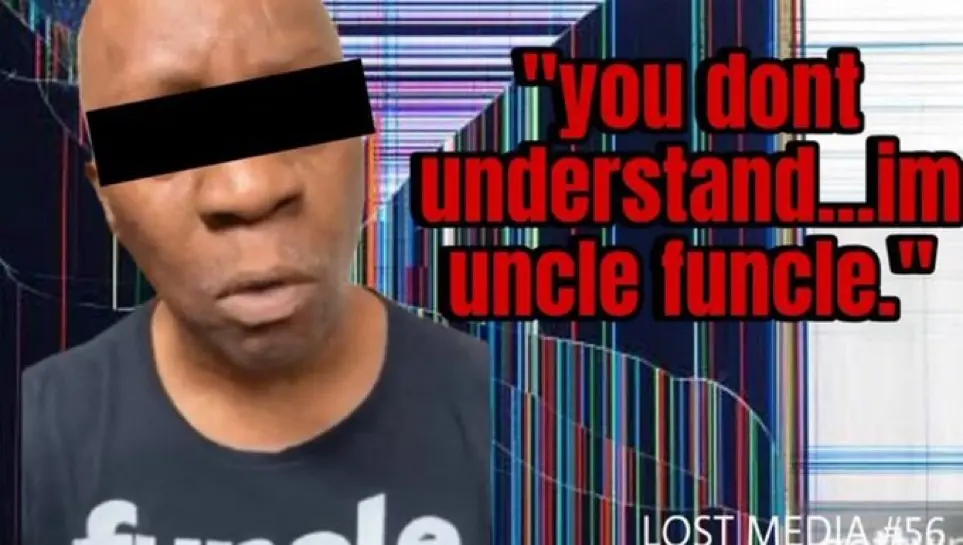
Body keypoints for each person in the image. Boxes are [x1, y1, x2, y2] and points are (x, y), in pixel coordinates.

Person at [20, 0, 491, 544]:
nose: (249, 189)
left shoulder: (525, 432)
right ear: (108, 199)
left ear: (365, 139)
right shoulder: (34, 442)